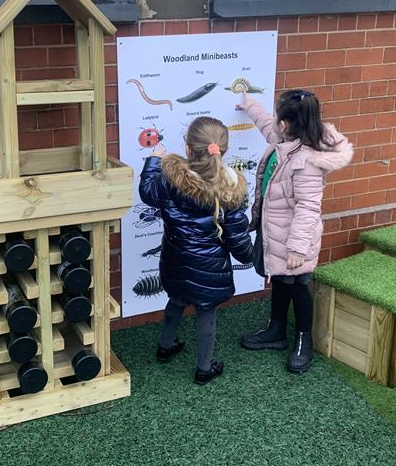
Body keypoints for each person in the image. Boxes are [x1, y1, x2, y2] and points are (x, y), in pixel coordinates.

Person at [237, 90, 353, 373]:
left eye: (279, 117)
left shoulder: (307, 162)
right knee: (279, 280)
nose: (274, 121)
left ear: (287, 124)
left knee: (298, 286)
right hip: (273, 230)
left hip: (294, 240)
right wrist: (249, 105)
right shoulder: (285, 141)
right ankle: (276, 330)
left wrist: (297, 250)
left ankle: (304, 339)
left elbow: (308, 208)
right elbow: (267, 125)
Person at [139, 116, 254, 385]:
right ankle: (204, 369)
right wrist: (252, 257)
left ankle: (165, 346)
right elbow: (237, 239)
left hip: (175, 259)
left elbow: (147, 192)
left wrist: (155, 160)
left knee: (176, 300)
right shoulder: (231, 188)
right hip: (210, 268)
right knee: (206, 312)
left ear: (187, 148)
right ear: (222, 150)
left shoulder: (169, 178)